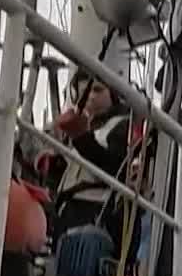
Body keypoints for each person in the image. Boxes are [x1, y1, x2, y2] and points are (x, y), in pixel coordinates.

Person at [47, 75, 135, 235]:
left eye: (97, 90)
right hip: (68, 209)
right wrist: (53, 166)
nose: (90, 97)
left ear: (113, 93)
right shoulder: (86, 130)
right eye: (83, 93)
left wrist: (81, 138)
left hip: (95, 210)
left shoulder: (122, 126)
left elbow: (116, 168)